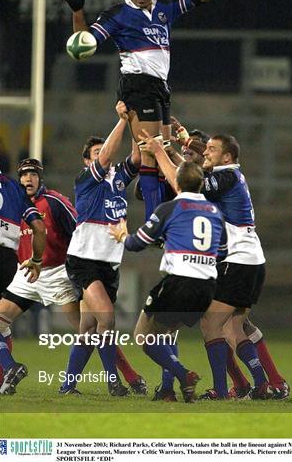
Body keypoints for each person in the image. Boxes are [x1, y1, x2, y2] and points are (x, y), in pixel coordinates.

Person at [62, 0, 213, 220]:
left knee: (163, 150)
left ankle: (159, 205)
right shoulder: (118, 14)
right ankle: (153, 222)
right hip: (137, 85)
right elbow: (85, 42)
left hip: (160, 87)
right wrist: (77, 11)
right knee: (151, 153)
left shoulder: (165, 5)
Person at [138, 130, 286, 400]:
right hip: (249, 260)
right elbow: (194, 178)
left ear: (227, 156)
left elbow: (186, 189)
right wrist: (171, 151)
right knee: (233, 327)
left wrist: (159, 152)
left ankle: (221, 390)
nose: (205, 152)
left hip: (237, 261)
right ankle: (260, 385)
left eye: (212, 149)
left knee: (210, 324)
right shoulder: (228, 176)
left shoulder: (227, 176)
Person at [110, 161, 224, 403]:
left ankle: (184, 375)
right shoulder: (215, 212)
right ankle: (169, 389)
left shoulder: (170, 208)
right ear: (201, 183)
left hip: (180, 281)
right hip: (206, 286)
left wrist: (121, 235)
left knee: (143, 336)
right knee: (166, 334)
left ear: (177, 183)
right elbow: (222, 249)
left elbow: (136, 243)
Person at [62, 101, 146, 397]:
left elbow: (136, 156)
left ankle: (67, 385)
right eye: (95, 154)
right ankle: (114, 381)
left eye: (102, 151)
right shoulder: (86, 180)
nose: (102, 155)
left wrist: (135, 121)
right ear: (87, 161)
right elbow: (111, 152)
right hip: (83, 260)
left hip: (109, 263)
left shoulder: (118, 179)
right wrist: (122, 120)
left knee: (88, 328)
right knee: (108, 319)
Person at [0, 163, 46, 394]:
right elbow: (39, 226)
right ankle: (4, 375)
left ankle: (9, 366)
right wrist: (36, 259)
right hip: (8, 259)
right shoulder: (16, 189)